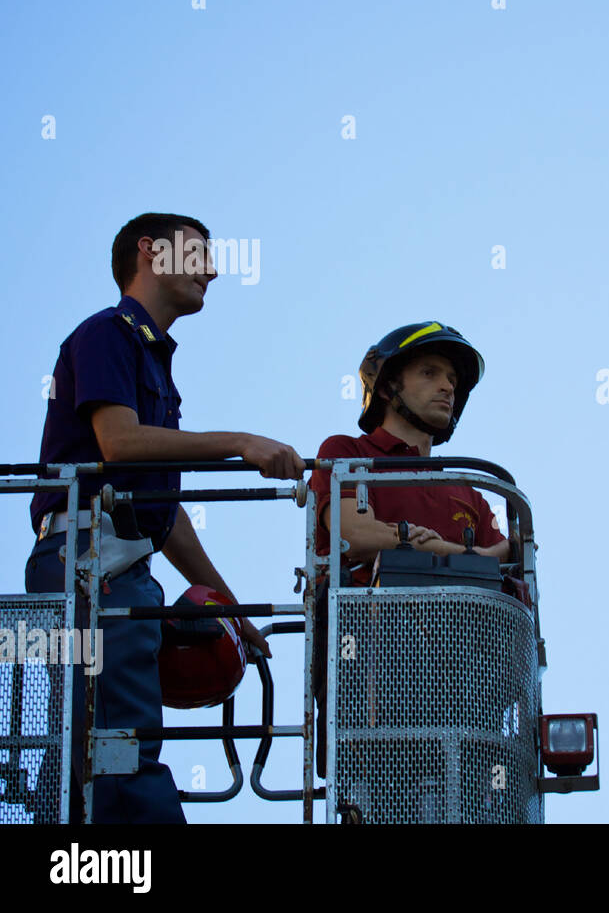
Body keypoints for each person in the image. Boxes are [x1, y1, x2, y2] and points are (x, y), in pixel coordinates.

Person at [25, 212, 306, 823]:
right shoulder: (107, 333)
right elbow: (119, 445)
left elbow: (162, 510)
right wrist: (240, 442)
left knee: (102, 742)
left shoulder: (152, 359)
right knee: (110, 749)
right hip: (89, 561)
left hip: (119, 562)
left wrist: (229, 608)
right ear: (151, 252)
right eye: (200, 253)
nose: (212, 269)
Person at [307, 322, 510, 794]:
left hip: (463, 692)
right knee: (375, 804)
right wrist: (463, 553)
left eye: (453, 382)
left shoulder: (465, 488)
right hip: (374, 689)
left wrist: (426, 545)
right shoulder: (348, 454)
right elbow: (351, 535)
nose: (447, 388)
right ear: (389, 385)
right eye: (429, 373)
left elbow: (508, 552)